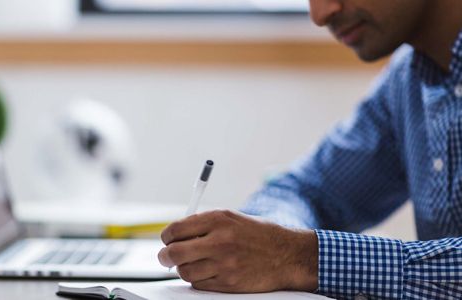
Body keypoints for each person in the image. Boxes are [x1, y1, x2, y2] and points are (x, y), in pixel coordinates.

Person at [157, 1, 462, 299]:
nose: (320, 14)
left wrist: (299, 257)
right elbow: (306, 191)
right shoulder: (408, 79)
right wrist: (265, 242)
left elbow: (294, 251)